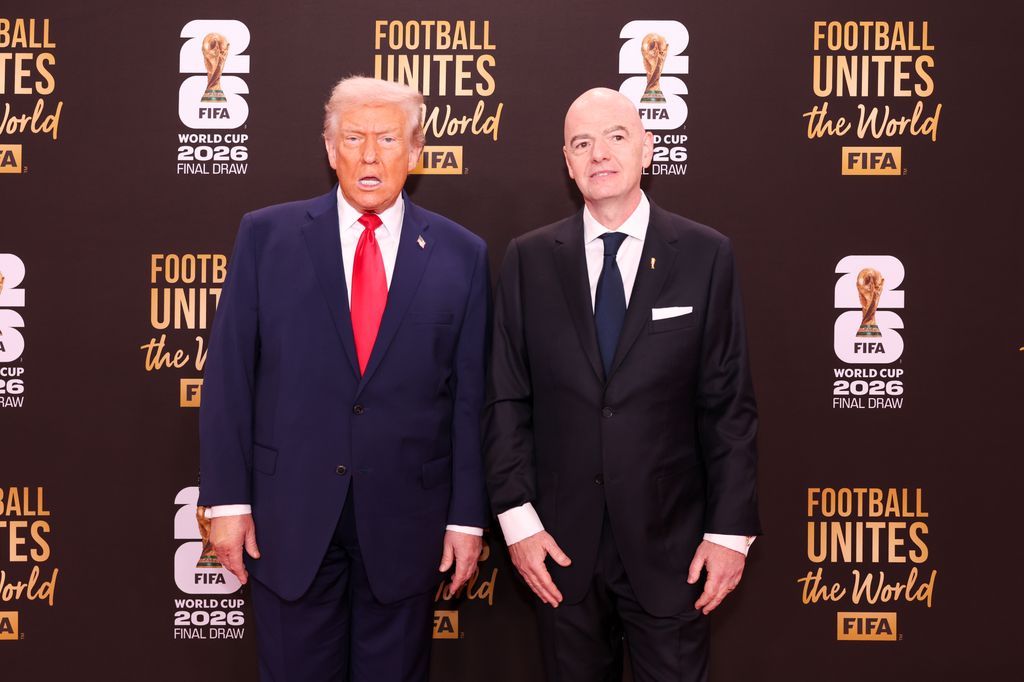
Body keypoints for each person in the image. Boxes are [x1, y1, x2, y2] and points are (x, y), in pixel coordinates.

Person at [198, 76, 489, 681]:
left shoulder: (463, 254)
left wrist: (466, 518)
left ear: (415, 152)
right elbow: (229, 378)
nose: (369, 155)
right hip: (289, 518)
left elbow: (470, 399)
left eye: (387, 138)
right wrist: (226, 501)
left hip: (409, 522)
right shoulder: (266, 236)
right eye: (353, 138)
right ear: (330, 150)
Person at [483, 87, 760, 682]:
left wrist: (731, 535)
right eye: (582, 143)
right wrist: (519, 524)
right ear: (567, 161)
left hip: (675, 551)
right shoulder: (529, 261)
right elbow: (506, 399)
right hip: (559, 554)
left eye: (616, 136)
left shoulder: (705, 255)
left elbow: (728, 405)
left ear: (648, 149)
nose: (599, 154)